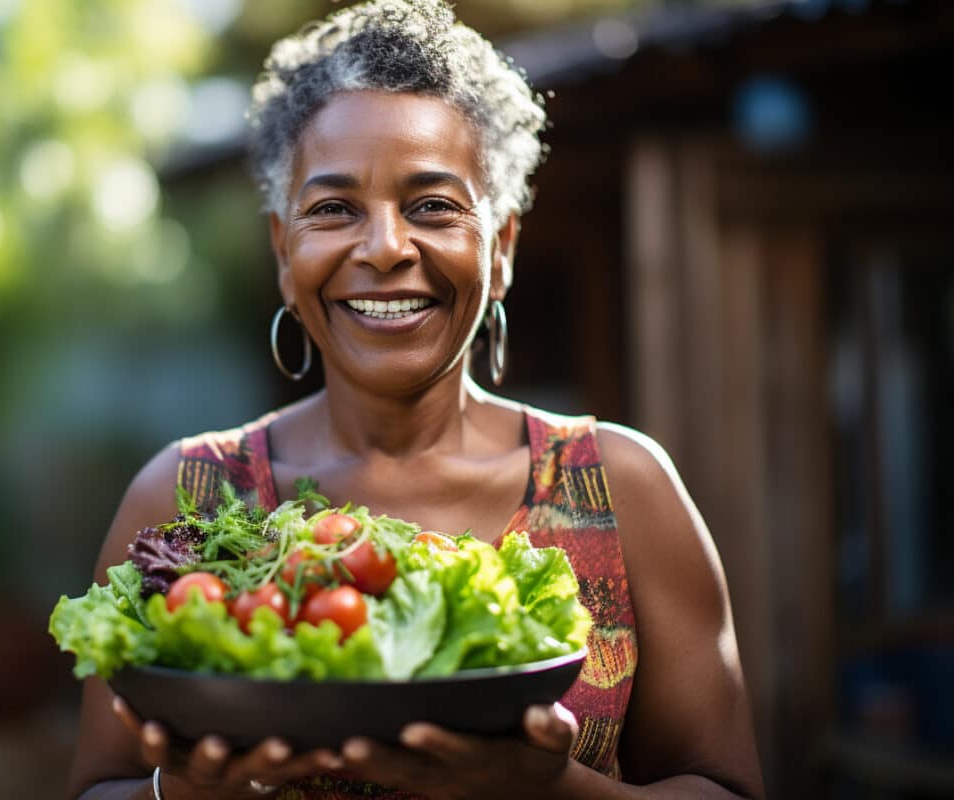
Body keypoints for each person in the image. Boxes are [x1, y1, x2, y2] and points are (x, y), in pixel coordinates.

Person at [66, 1, 763, 798]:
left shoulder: (622, 489)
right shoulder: (181, 498)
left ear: (499, 249)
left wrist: (547, 788)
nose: (386, 247)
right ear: (283, 251)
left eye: (433, 206)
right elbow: (99, 788)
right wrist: (188, 792)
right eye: (333, 210)